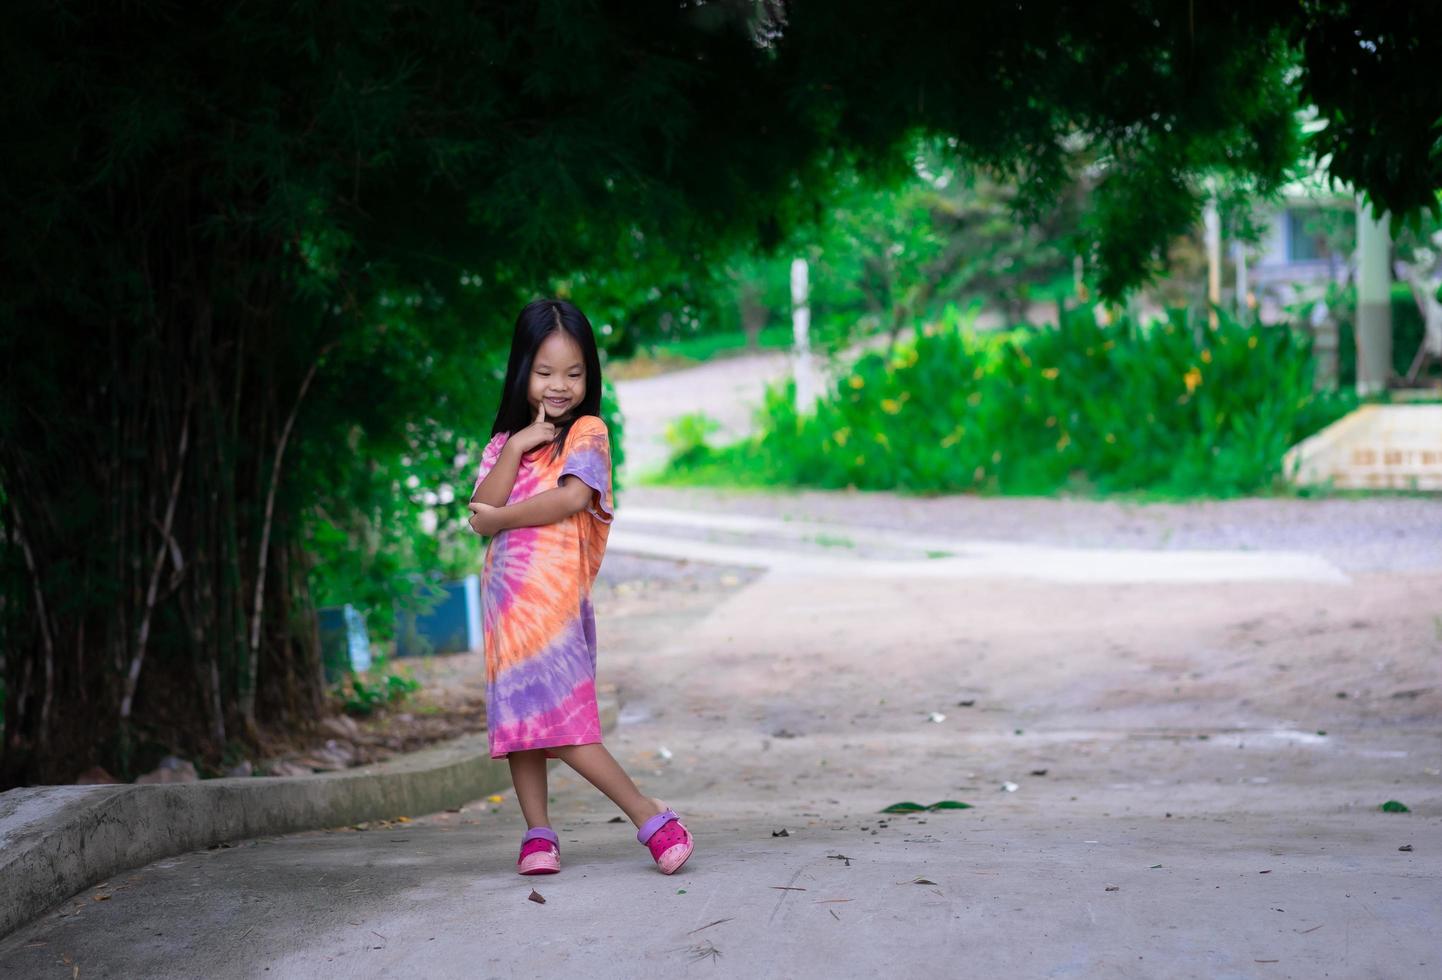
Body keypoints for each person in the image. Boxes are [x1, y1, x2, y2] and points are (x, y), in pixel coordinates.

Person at [466, 298, 694, 877]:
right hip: (507, 606)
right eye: (544, 372)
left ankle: (648, 816)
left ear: (589, 376)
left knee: (565, 724)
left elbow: (568, 499)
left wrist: (495, 519)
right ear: (521, 372)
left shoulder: (588, 433)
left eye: (573, 373)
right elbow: (479, 507)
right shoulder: (505, 445)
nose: (559, 386)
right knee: (523, 725)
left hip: (555, 603)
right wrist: (518, 445)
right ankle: (538, 835)